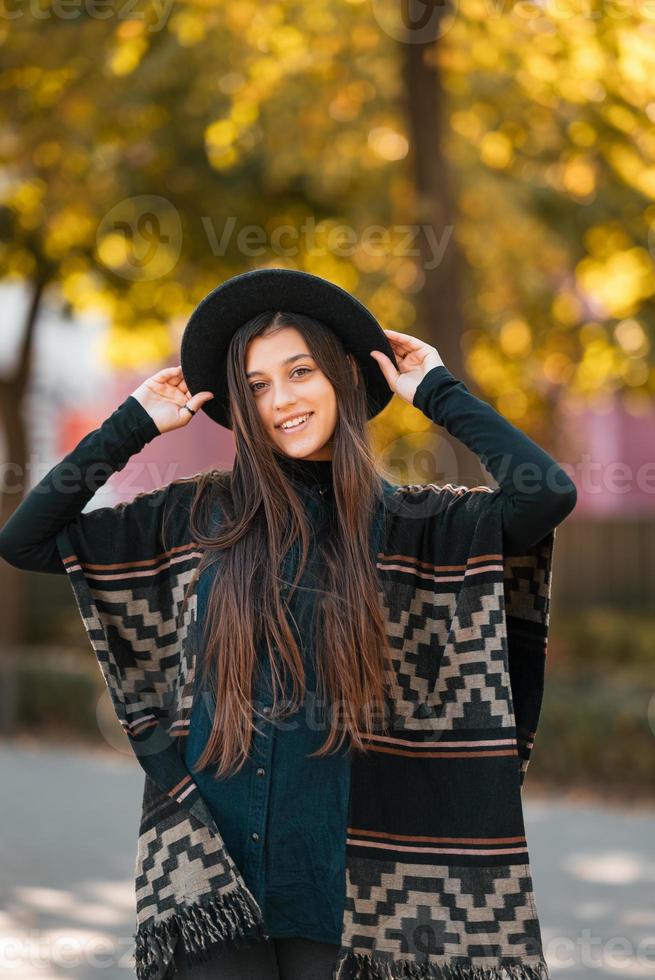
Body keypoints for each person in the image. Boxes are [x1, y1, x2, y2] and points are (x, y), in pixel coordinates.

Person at [0, 268, 577, 980]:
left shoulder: (415, 524)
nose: (281, 400)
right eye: (258, 385)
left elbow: (545, 493)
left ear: (341, 376)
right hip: (211, 880)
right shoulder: (196, 516)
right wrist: (130, 425)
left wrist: (435, 390)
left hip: (351, 898)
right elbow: (26, 539)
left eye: (299, 371)